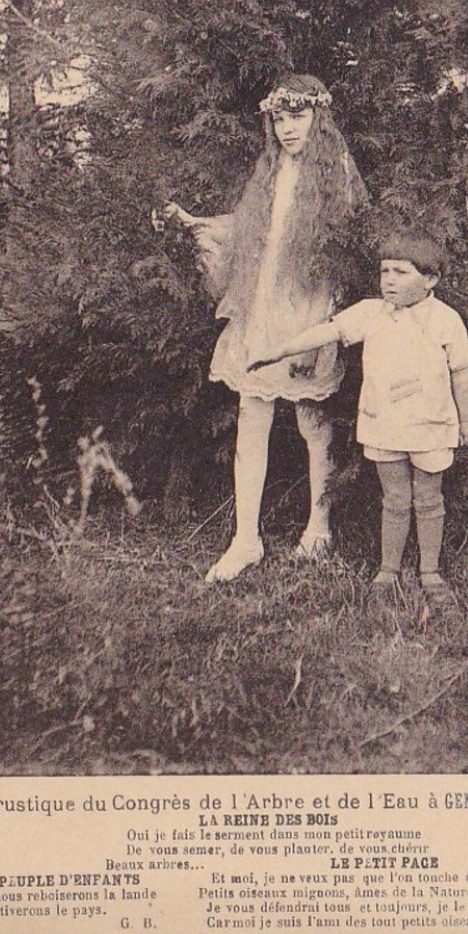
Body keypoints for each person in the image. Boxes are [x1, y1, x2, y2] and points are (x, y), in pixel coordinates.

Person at [165, 73, 368, 582]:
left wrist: (322, 328)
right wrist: (195, 224)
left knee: (310, 419)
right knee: (250, 416)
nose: (287, 129)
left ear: (318, 118)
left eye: (297, 116)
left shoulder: (336, 173)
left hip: (306, 309)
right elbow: (247, 229)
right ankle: (245, 539)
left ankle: (318, 528)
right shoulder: (270, 172)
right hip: (262, 307)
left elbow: (343, 254)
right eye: (279, 118)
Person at [248, 223, 468, 603]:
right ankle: (387, 570)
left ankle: (430, 571)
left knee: (429, 499)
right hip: (384, 423)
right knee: (394, 499)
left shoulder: (446, 320)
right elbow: (326, 332)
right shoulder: (371, 313)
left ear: (430, 279)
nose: (389, 280)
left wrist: (467, 421)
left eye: (401, 272)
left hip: (431, 427)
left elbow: (461, 374)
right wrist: (278, 351)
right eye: (384, 270)